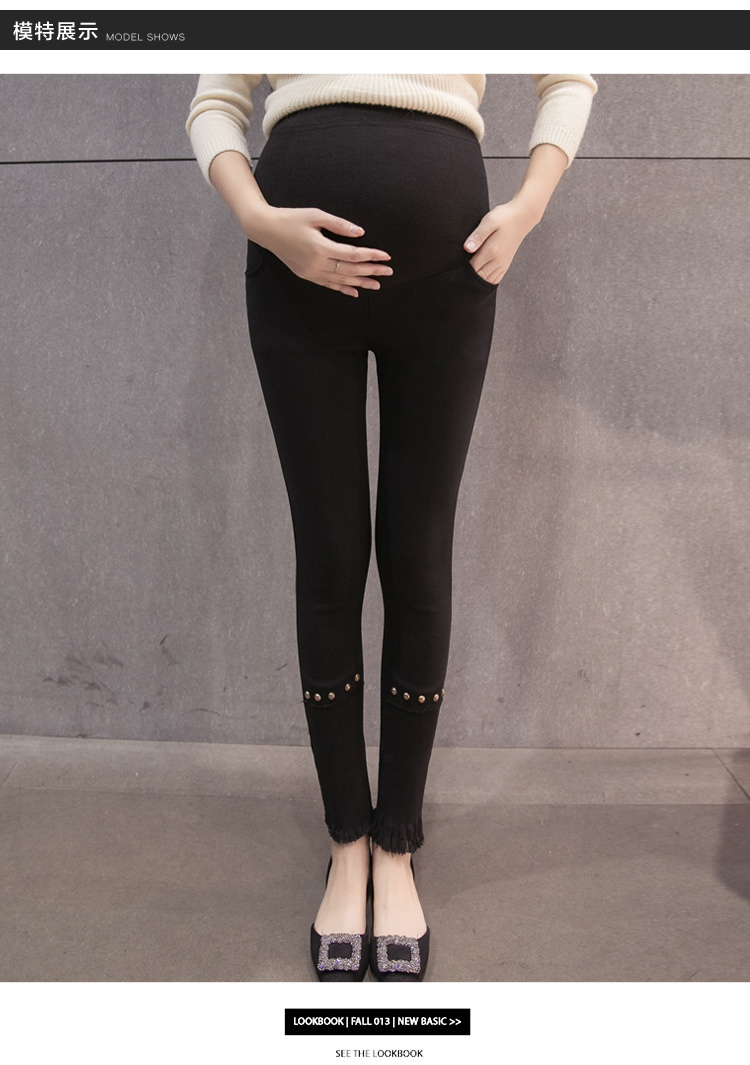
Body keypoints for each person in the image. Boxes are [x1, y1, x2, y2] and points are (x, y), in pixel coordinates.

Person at [185, 73, 597, 981]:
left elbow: (568, 72)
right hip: (297, 280)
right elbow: (215, 101)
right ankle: (347, 841)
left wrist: (528, 205)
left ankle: (396, 841)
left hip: (448, 277)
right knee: (331, 557)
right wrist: (259, 220)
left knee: (417, 555)